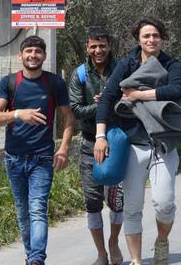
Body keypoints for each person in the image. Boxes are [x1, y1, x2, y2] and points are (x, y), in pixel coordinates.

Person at [94, 17, 181, 265]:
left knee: (164, 203)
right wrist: (100, 136)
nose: (151, 40)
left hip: (163, 144)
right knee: (132, 207)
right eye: (146, 36)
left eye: (155, 35)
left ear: (162, 38)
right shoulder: (127, 64)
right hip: (133, 145)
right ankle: (136, 260)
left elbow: (175, 90)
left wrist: (137, 95)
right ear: (139, 39)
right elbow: (107, 98)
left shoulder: (171, 64)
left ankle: (162, 240)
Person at [0, 35, 75, 265]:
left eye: (38, 51)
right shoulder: (9, 82)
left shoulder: (54, 83)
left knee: (37, 209)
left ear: (44, 56)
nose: (33, 55)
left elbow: (68, 118)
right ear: (21, 56)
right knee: (22, 212)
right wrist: (18, 114)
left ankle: (37, 259)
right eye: (28, 51)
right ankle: (31, 257)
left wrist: (64, 148)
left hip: (42, 158)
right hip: (13, 159)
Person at [68, 27, 124, 265]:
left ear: (109, 46)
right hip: (90, 144)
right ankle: (101, 252)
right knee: (92, 202)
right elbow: (75, 109)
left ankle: (114, 241)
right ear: (87, 47)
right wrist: (99, 106)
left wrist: (112, 102)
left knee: (117, 201)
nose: (98, 50)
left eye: (102, 45)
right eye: (93, 46)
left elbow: (132, 98)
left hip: (117, 144)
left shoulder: (122, 69)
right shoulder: (79, 74)